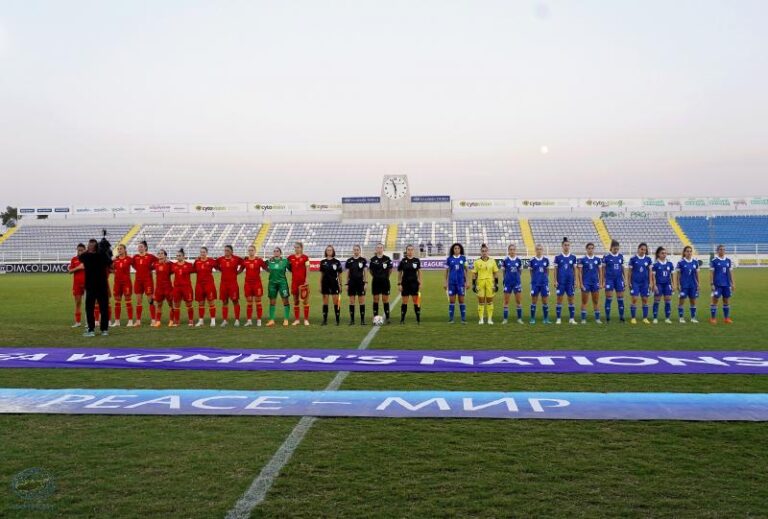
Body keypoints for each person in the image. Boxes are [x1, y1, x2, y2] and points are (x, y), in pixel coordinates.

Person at [70, 238, 113, 336]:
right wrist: (103, 249)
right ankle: (104, 330)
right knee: (104, 308)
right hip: (102, 285)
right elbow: (110, 263)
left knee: (89, 308)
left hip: (90, 285)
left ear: (89, 247)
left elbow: (81, 256)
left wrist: (88, 249)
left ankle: (91, 330)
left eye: (89, 245)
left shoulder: (86, 256)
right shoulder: (102, 255)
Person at [217, 245, 244, 327]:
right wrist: (220, 269)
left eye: (228, 250)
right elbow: (214, 264)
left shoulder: (236, 259)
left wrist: (239, 271)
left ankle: (237, 320)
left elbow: (244, 263)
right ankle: (225, 320)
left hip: (233, 284)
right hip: (223, 284)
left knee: (235, 301)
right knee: (224, 302)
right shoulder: (221, 259)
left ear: (232, 251)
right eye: (225, 250)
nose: (226, 252)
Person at [472, 244, 499, 325]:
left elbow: (495, 273)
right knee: (481, 301)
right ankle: (481, 319)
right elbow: (474, 274)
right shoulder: (477, 262)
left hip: (490, 283)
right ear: (481, 252)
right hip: (480, 283)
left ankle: (490, 319)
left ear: (488, 251)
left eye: (485, 251)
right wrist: (474, 285)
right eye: (483, 251)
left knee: (490, 301)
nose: (484, 252)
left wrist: (496, 284)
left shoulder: (492, 261)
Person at [132, 240, 157, 327]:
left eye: (141, 246)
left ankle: (153, 320)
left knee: (150, 300)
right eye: (139, 247)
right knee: (139, 301)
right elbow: (132, 264)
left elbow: (158, 262)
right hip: (138, 281)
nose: (140, 248)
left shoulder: (150, 256)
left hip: (148, 281)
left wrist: (151, 268)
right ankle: (138, 321)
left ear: (145, 247)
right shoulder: (135, 257)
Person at [553, 237, 578, 325]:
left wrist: (575, 281)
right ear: (562, 246)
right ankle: (558, 319)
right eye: (565, 245)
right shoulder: (558, 257)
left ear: (569, 246)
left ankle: (571, 319)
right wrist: (555, 280)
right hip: (561, 282)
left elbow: (575, 270)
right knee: (559, 299)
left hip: (570, 282)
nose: (566, 247)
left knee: (571, 299)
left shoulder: (573, 257)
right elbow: (555, 270)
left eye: (568, 245)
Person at [627, 242, 653, 324]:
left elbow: (650, 272)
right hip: (635, 282)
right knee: (634, 299)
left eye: (645, 250)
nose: (643, 251)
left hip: (645, 283)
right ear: (638, 249)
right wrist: (629, 282)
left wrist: (650, 282)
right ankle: (633, 318)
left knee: (645, 299)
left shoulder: (648, 259)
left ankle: (645, 318)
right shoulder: (633, 259)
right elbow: (629, 272)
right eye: (642, 249)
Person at [578, 242, 603, 324]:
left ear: (594, 249)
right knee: (584, 301)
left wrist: (601, 282)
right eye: (589, 248)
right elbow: (580, 273)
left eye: (592, 248)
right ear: (586, 249)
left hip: (595, 283)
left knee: (596, 301)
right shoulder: (582, 260)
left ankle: (597, 319)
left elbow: (600, 272)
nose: (591, 250)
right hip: (586, 283)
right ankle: (583, 319)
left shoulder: (598, 260)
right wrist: (581, 284)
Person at [266, 247, 291, 327]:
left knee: (285, 301)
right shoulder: (269, 261)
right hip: (272, 284)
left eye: (277, 251)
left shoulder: (285, 261)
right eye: (274, 251)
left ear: (280, 253)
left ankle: (286, 319)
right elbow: (262, 265)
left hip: (282, 284)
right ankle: (272, 320)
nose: (276, 252)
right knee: (272, 301)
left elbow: (291, 269)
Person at [444, 243, 468, 324]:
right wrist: (445, 282)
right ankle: (451, 319)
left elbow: (466, 270)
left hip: (461, 283)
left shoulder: (463, 258)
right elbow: (446, 272)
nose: (457, 249)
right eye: (455, 248)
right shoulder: (449, 259)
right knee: (452, 301)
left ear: (460, 249)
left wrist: (467, 281)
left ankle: (463, 319)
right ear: (453, 250)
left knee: (461, 301)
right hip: (451, 283)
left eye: (458, 248)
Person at [710, 244, 735, 324]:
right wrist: (712, 284)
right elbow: (711, 273)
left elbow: (730, 272)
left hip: (726, 284)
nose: (722, 251)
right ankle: (713, 318)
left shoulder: (728, 260)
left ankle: (726, 318)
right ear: (717, 251)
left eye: (723, 249)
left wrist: (732, 283)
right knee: (715, 300)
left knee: (726, 301)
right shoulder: (714, 261)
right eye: (720, 249)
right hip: (717, 284)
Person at [369, 243, 393, 323]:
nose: (379, 249)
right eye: (378, 248)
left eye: (381, 248)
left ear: (383, 249)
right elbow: (371, 271)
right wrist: (376, 276)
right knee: (376, 299)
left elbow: (390, 270)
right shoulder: (372, 260)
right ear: (376, 249)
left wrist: (385, 277)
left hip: (385, 282)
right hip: (376, 282)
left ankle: (388, 317)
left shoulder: (387, 259)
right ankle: (375, 318)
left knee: (385, 299)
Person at [602, 240, 626, 323]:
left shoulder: (621, 257)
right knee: (609, 298)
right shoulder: (606, 257)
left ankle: (621, 317)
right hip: (609, 280)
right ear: (611, 248)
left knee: (620, 298)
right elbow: (603, 270)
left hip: (619, 280)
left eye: (617, 249)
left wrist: (625, 279)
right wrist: (603, 281)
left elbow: (622, 268)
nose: (616, 250)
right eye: (615, 249)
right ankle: (608, 318)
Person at [398, 244, 422, 324]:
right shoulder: (403, 261)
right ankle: (402, 319)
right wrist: (399, 284)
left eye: (411, 249)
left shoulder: (417, 260)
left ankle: (418, 319)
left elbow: (419, 272)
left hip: (414, 284)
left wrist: (420, 282)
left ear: (413, 251)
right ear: (406, 251)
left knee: (416, 302)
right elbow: (400, 273)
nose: (410, 251)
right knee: (404, 302)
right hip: (405, 284)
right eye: (408, 249)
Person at [243, 245, 267, 327]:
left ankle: (259, 320)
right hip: (248, 284)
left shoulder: (259, 260)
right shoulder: (245, 261)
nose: (250, 252)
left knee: (258, 302)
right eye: (249, 250)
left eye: (252, 250)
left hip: (257, 284)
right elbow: (240, 270)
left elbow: (266, 268)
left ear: (255, 251)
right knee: (249, 302)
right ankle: (249, 320)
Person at [288, 242, 311, 326]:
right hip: (294, 282)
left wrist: (307, 279)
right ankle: (297, 320)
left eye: (298, 247)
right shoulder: (291, 257)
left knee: (305, 301)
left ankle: (306, 320)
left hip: (303, 283)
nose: (296, 249)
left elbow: (308, 268)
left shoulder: (305, 257)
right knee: (296, 301)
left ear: (301, 248)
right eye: (295, 247)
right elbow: (284, 264)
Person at [194, 247, 218, 327]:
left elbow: (218, 267)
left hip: (209, 284)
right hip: (199, 285)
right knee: (201, 303)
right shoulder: (197, 261)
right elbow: (192, 270)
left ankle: (213, 320)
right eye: (201, 252)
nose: (202, 253)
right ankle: (201, 321)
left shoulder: (211, 261)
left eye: (204, 252)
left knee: (211, 302)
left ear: (206, 253)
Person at [171, 248, 196, 327]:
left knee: (189, 304)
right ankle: (177, 321)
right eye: (177, 256)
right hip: (177, 288)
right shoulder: (174, 265)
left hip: (187, 287)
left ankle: (191, 320)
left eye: (180, 256)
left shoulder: (189, 265)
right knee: (176, 304)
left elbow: (196, 269)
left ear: (183, 256)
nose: (178, 257)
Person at [111, 244, 134, 327]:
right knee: (117, 302)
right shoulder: (115, 260)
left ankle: (130, 321)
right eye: (118, 249)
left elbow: (137, 266)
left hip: (126, 283)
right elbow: (110, 268)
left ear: (124, 250)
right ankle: (117, 321)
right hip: (117, 283)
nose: (119, 250)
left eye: (121, 249)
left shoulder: (129, 259)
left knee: (128, 301)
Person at [319, 245, 342, 325]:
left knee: (336, 302)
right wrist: (320, 285)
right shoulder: (322, 262)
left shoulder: (337, 262)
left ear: (333, 251)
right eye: (328, 250)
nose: (329, 251)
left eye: (330, 250)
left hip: (334, 284)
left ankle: (337, 320)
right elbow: (321, 275)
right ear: (326, 252)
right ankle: (325, 320)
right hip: (325, 284)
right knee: (325, 302)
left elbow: (339, 275)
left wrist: (340, 284)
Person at [345, 245, 368, 325]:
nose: (356, 251)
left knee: (361, 301)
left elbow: (365, 272)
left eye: (357, 250)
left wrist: (366, 282)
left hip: (360, 283)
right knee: (351, 301)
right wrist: (346, 283)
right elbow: (347, 273)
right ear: (353, 251)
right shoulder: (349, 261)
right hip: (351, 283)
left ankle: (362, 321)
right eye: (354, 250)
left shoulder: (363, 260)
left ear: (360, 251)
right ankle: (352, 320)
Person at [676, 245, 700, 323]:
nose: (689, 253)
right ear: (684, 252)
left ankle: (693, 318)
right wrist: (678, 284)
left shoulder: (695, 262)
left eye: (690, 251)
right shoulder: (681, 262)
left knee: (693, 301)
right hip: (684, 285)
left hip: (693, 285)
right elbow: (678, 274)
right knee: (681, 301)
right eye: (687, 251)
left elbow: (696, 274)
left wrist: (698, 284)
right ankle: (681, 317)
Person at [501, 244, 524, 324]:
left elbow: (520, 271)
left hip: (517, 283)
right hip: (508, 283)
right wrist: (505, 279)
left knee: (518, 301)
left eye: (513, 249)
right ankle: (505, 319)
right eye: (510, 249)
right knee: (506, 301)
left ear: (515, 250)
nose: (512, 251)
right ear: (508, 251)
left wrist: (516, 278)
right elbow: (503, 272)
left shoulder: (518, 260)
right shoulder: (505, 260)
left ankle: (519, 319)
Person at [651, 246, 674, 324]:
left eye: (665, 253)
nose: (664, 255)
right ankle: (655, 318)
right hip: (659, 284)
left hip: (667, 284)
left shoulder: (670, 264)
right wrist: (654, 285)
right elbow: (653, 276)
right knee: (657, 300)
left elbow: (672, 275)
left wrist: (673, 285)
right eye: (662, 253)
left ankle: (667, 318)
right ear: (658, 254)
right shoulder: (655, 264)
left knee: (668, 300)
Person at [528, 244, 551, 324]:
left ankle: (546, 319)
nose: (539, 250)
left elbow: (547, 271)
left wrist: (545, 279)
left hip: (544, 283)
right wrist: (534, 279)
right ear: (535, 250)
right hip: (535, 284)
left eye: (540, 249)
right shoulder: (532, 260)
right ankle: (532, 318)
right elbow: (530, 271)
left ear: (542, 250)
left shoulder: (546, 260)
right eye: (537, 249)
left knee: (545, 301)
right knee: (534, 301)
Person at [152, 250, 174, 327]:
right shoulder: (155, 264)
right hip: (159, 288)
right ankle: (158, 321)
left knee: (171, 304)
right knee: (159, 305)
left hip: (168, 287)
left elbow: (176, 268)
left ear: (165, 255)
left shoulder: (169, 264)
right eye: (159, 253)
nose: (160, 255)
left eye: (162, 253)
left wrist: (169, 262)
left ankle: (171, 320)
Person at [67, 243, 86, 327]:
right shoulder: (74, 259)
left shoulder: (88, 259)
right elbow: (70, 271)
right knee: (78, 303)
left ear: (85, 250)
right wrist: (78, 267)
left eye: (82, 250)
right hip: (77, 284)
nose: (80, 252)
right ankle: (78, 322)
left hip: (87, 283)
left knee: (88, 303)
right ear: (77, 250)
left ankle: (88, 322)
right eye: (79, 250)